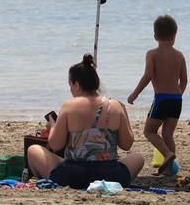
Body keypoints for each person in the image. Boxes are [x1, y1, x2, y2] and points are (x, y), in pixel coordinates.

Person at [27, 54, 144, 189]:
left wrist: (53, 126)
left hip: (73, 175)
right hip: (110, 175)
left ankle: (45, 178)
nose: (70, 89)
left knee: (33, 150)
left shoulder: (69, 106)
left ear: (76, 84)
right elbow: (127, 144)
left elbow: (55, 145)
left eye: (70, 85)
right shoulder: (115, 105)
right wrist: (122, 114)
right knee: (138, 158)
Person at [127, 14, 188, 175]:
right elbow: (184, 81)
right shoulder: (180, 55)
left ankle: (167, 154)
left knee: (149, 131)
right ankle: (170, 171)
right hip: (176, 100)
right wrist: (178, 95)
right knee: (168, 134)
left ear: (155, 36)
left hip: (161, 99)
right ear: (174, 36)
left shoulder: (152, 54)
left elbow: (148, 75)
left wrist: (135, 94)